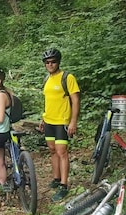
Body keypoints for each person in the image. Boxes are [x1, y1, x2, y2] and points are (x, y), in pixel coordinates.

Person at [39, 48, 80, 202]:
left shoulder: (67, 77)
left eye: (53, 61)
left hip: (62, 121)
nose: (50, 64)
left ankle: (64, 185)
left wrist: (73, 121)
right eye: (47, 62)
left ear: (58, 62)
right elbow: (47, 100)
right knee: (52, 150)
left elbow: (75, 100)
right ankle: (56, 178)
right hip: (49, 120)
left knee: (61, 151)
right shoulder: (46, 79)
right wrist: (43, 118)